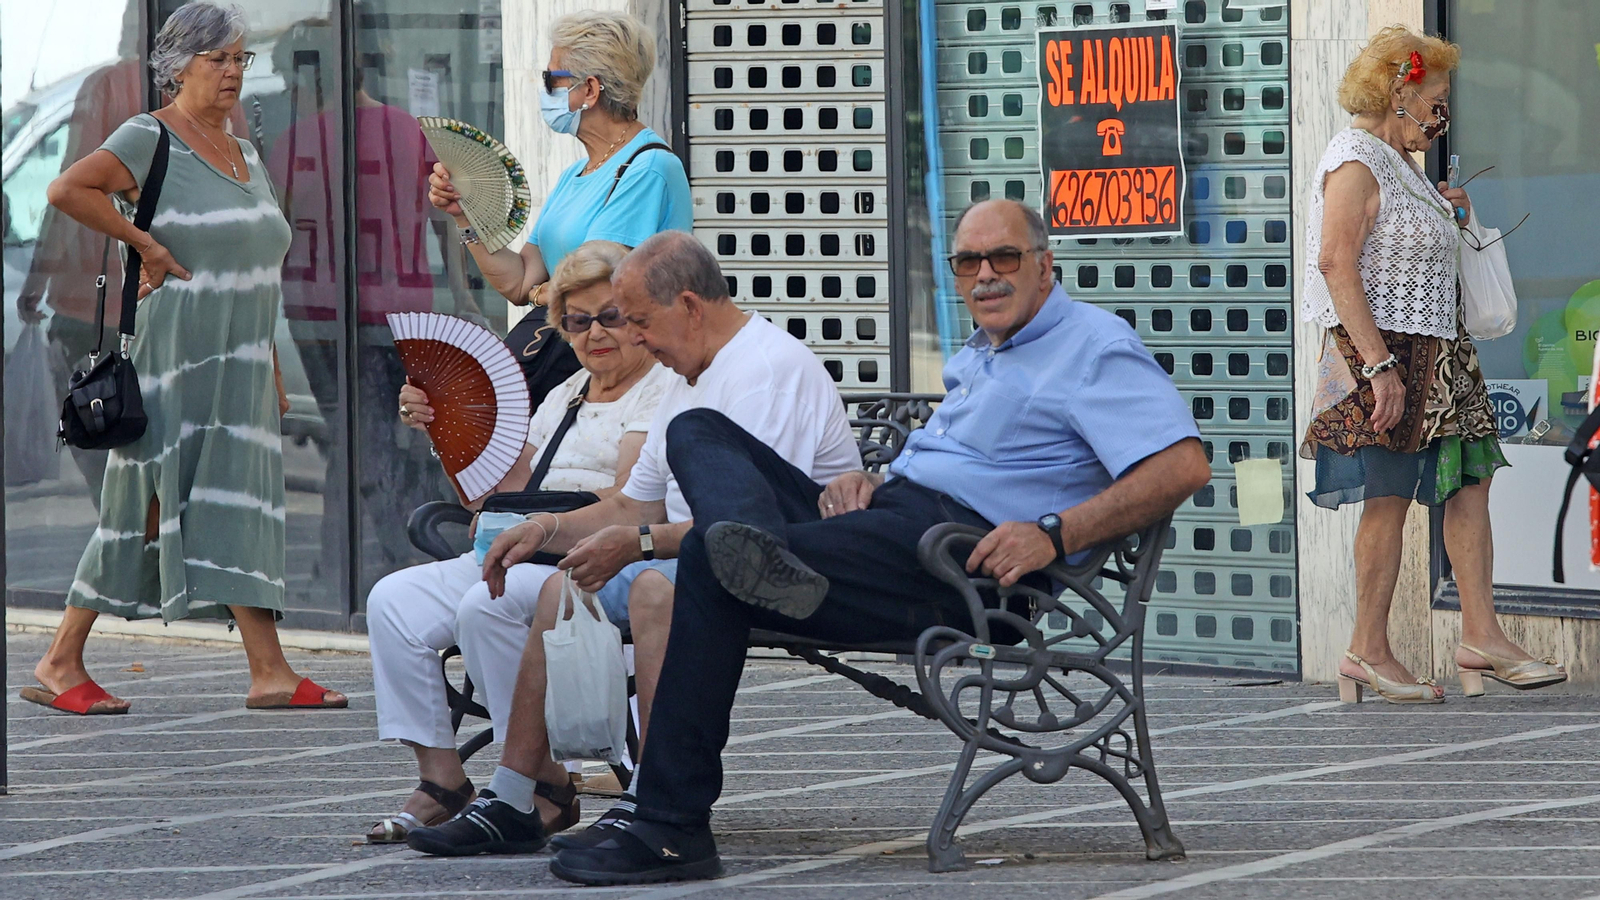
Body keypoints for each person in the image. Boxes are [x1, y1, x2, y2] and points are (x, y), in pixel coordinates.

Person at [542, 200, 1212, 885]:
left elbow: (1182, 465)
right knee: (697, 432)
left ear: (1046, 264)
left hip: (957, 567)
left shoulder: (1093, 347)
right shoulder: (988, 349)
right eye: (967, 262)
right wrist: (864, 479)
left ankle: (668, 823)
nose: (985, 276)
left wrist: (1054, 534)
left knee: (711, 560)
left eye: (1004, 258)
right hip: (889, 525)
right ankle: (760, 559)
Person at [402, 230, 862, 858]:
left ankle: (654, 800)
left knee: (651, 588)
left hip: (782, 566)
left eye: (639, 321)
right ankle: (514, 797)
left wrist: (639, 543)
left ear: (691, 307)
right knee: (559, 585)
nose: (637, 339)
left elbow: (749, 533)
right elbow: (633, 502)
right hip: (693, 548)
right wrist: (546, 529)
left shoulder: (763, 371)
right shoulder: (688, 371)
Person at [21, 2, 346, 716]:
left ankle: (268, 670)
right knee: (147, 502)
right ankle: (60, 657)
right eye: (218, 59)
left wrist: (271, 364)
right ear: (180, 65)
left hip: (241, 358)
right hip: (179, 352)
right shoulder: (149, 136)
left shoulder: (244, 148)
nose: (233, 72)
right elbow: (66, 189)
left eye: (240, 59)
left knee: (235, 498)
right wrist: (145, 244)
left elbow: (257, 268)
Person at [363, 240, 675, 843]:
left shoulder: (659, 390)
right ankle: (442, 779)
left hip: (594, 554)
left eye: (609, 315)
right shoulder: (566, 394)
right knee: (392, 602)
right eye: (577, 321)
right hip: (525, 544)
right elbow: (493, 498)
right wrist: (445, 428)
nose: (594, 333)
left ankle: (539, 784)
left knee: (490, 602)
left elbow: (630, 499)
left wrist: (541, 530)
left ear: (639, 317)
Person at [1300, 26, 1565, 704]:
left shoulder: (1405, 167)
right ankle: (1366, 650)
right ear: (1400, 93)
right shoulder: (1355, 158)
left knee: (1470, 483)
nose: (1442, 116)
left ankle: (1481, 636)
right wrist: (1379, 366)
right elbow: (1336, 263)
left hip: (1443, 354)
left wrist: (1456, 216)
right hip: (1387, 353)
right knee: (1385, 502)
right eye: (1436, 101)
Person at [427, 10, 690, 308]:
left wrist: (538, 295)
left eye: (551, 79)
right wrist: (465, 215)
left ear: (589, 90)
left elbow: (593, 290)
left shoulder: (648, 169)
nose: (544, 91)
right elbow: (521, 280)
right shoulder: (577, 173)